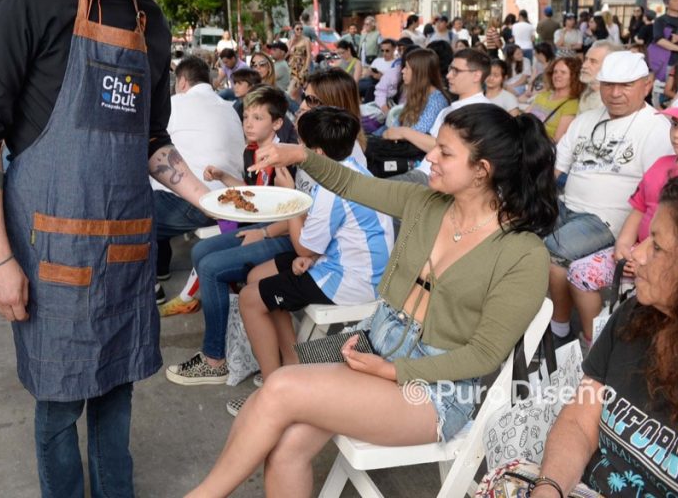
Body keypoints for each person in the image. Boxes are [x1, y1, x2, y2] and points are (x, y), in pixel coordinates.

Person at [0, 0, 208, 498]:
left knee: (117, 393)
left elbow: (152, 140)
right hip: (49, 255)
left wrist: (208, 195)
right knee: (59, 404)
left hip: (125, 251)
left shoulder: (151, 23)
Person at [187, 105, 559, 497]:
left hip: (435, 391)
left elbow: (484, 355)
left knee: (279, 387)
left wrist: (391, 371)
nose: (430, 157)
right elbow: (351, 185)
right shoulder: (426, 204)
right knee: (286, 444)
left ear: (482, 170)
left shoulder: (523, 253)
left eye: (445, 152)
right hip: (371, 346)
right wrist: (299, 155)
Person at [532, 175, 678, 498]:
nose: (637, 255)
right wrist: (549, 487)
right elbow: (579, 422)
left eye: (656, 246)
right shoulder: (636, 315)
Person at [232, 106, 394, 414]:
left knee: (250, 298)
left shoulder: (333, 188)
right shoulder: (351, 169)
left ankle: (272, 394)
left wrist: (291, 197)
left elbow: (305, 248)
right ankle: (292, 363)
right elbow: (320, 242)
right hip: (349, 264)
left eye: (302, 146)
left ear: (317, 152)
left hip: (351, 280)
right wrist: (308, 255)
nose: (297, 150)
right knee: (257, 277)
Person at [165, 86, 295, 385]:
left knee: (211, 267)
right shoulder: (254, 151)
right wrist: (224, 177)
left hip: (282, 235)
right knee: (200, 252)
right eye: (246, 116)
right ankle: (227, 337)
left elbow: (297, 214)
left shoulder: (287, 158)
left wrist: (262, 233)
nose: (248, 123)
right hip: (261, 229)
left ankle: (215, 359)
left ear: (277, 123)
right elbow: (256, 193)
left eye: (257, 117)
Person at [566, 89, 678, 345]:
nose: (677, 134)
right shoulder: (662, 164)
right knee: (580, 273)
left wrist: (648, 257)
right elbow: (640, 207)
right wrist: (624, 245)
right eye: (675, 125)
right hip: (636, 253)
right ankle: (595, 340)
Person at [546, 52, 673, 342]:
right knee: (522, 235)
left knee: (552, 251)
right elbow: (556, 168)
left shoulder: (657, 127)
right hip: (566, 204)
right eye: (608, 85)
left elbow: (651, 196)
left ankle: (559, 329)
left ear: (647, 84)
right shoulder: (586, 119)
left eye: (626, 85)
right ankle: (548, 322)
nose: (615, 93)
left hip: (608, 218)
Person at [152, 55, 244, 297]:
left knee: (132, 211)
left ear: (182, 82)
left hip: (197, 204)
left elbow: (152, 147)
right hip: (230, 202)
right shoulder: (229, 109)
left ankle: (151, 286)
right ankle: (160, 267)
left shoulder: (175, 103)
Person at [388, 48, 493, 185]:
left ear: (476, 76)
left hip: (434, 179)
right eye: (450, 69)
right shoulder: (450, 108)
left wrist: (404, 132)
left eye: (456, 71)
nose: (449, 75)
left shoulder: (483, 111)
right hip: (423, 171)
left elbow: (439, 145)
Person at [381, 48, 449, 133]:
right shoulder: (418, 95)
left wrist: (398, 133)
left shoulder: (437, 101)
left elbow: (419, 131)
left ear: (419, 72)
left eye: (407, 67)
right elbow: (397, 124)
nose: (402, 71)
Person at [527, 56, 583, 142]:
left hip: (539, 147)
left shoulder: (571, 104)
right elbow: (523, 117)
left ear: (573, 77)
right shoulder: (543, 95)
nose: (557, 75)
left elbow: (557, 140)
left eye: (563, 72)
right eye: (555, 72)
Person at [578, 41, 622, 114]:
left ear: (610, 67)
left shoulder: (613, 101)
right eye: (586, 59)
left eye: (593, 61)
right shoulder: (587, 93)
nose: (584, 65)